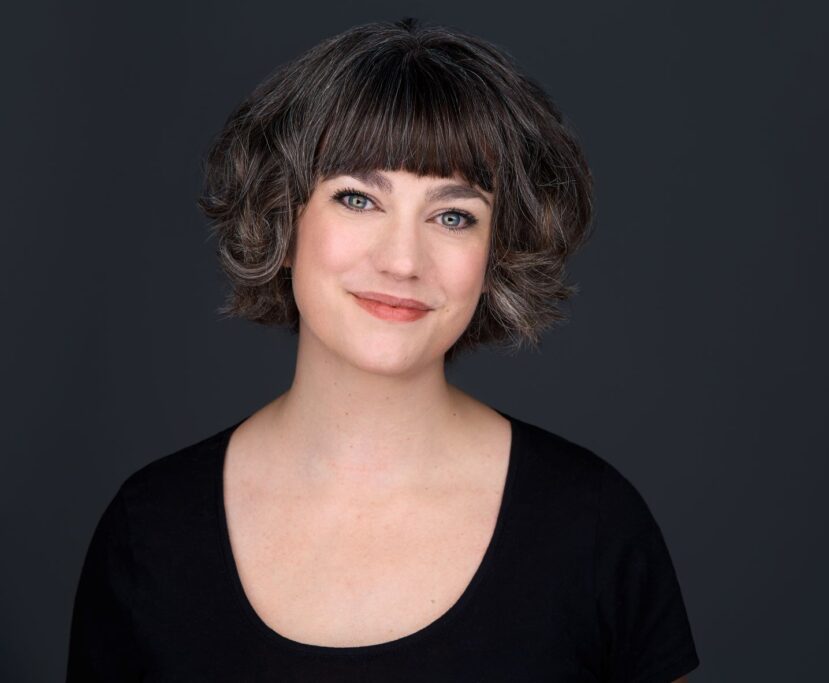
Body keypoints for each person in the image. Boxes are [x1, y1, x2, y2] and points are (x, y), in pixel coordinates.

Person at [66, 17, 700, 681]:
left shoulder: (594, 531)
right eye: (358, 198)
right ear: (285, 216)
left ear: (497, 252)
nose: (402, 260)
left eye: (453, 215)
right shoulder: (150, 534)